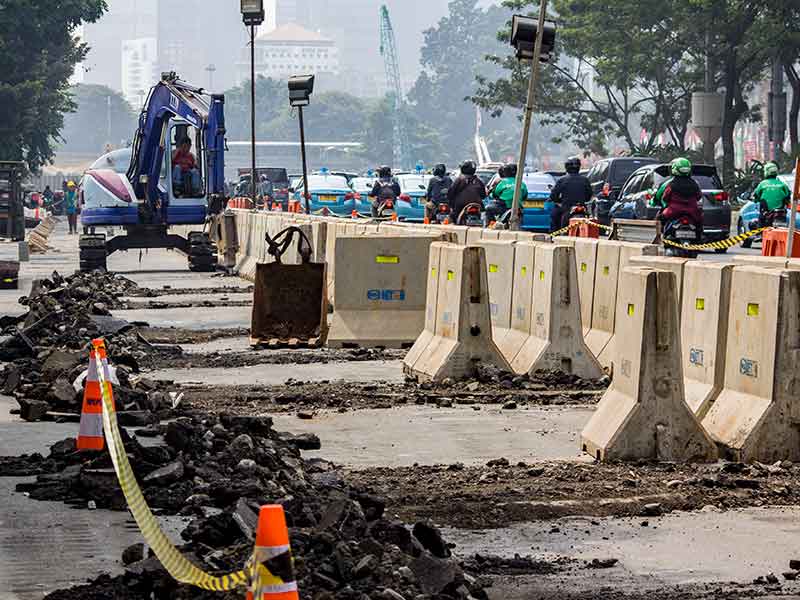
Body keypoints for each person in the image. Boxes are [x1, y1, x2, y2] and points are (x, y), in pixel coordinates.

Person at [652, 157, 703, 226]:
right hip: (692, 211)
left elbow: (665, 197)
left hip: (673, 211)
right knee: (699, 223)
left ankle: (661, 233)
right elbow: (699, 196)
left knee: (660, 219)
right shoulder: (695, 183)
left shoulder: (671, 184)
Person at [549, 156, 592, 230]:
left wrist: (560, 200)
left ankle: (554, 235)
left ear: (567, 167)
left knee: (554, 215)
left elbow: (553, 196)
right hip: (582, 207)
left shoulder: (562, 180)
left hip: (566, 208)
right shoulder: (585, 180)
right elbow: (589, 196)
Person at [753, 161, 791, 226]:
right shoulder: (782, 184)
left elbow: (756, 196)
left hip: (766, 214)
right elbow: (788, 196)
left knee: (760, 225)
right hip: (780, 214)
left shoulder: (762, 184)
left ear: (766, 172)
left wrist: (756, 199)